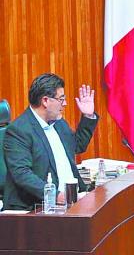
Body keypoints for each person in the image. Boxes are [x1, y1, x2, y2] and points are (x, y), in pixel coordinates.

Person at [2, 73, 98, 211]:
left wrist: (88, 115)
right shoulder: (19, 130)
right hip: (37, 208)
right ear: (45, 101)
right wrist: (57, 196)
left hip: (72, 200)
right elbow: (22, 174)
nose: (64, 103)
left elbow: (77, 146)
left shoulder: (58, 123)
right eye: (61, 99)